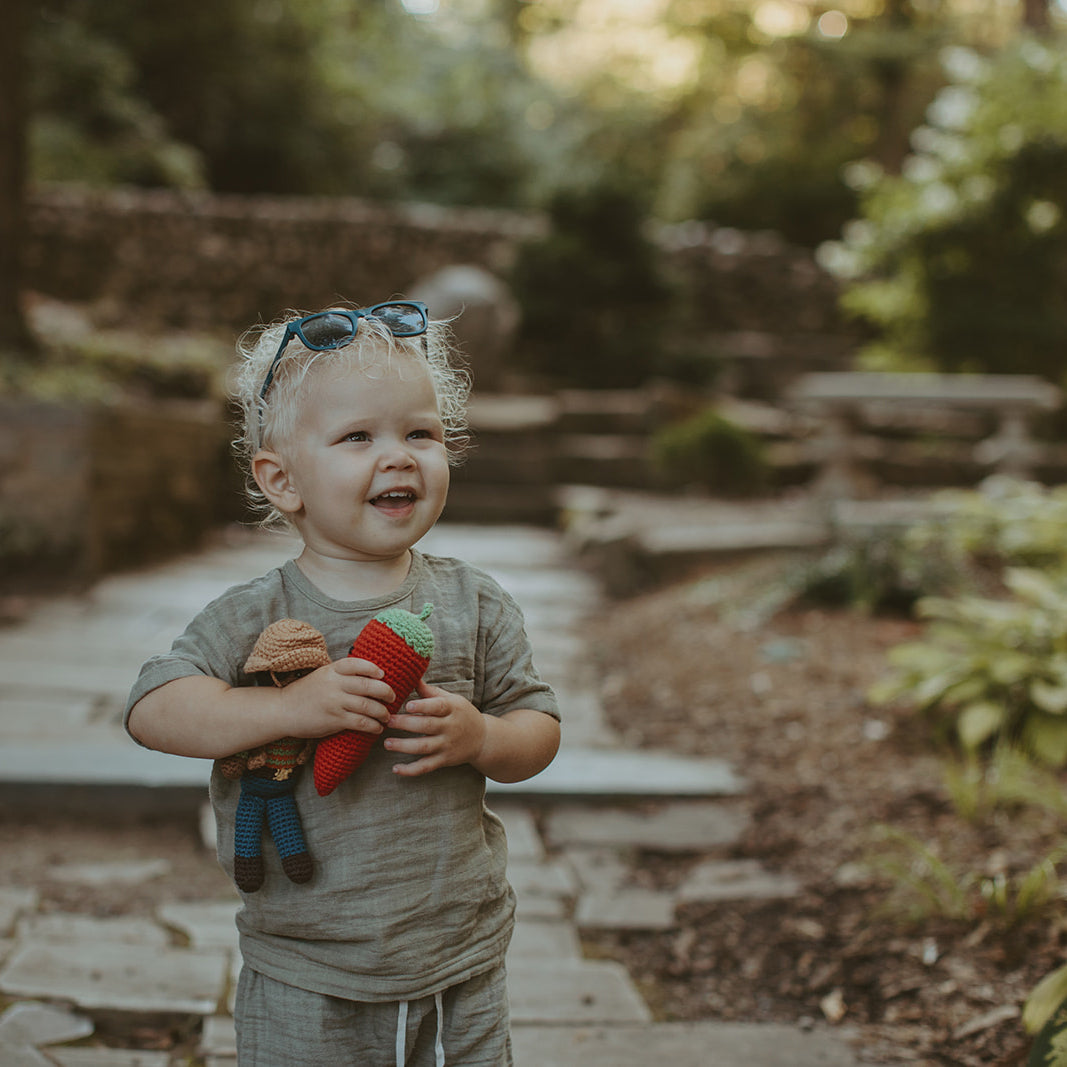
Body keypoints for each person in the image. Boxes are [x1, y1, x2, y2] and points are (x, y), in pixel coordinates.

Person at [125, 300, 562, 1066]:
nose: (398, 456)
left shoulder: (474, 601)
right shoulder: (254, 613)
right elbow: (154, 708)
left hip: (456, 955)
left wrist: (484, 736)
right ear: (282, 479)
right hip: (307, 966)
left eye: (419, 433)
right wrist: (285, 706)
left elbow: (538, 728)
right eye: (358, 436)